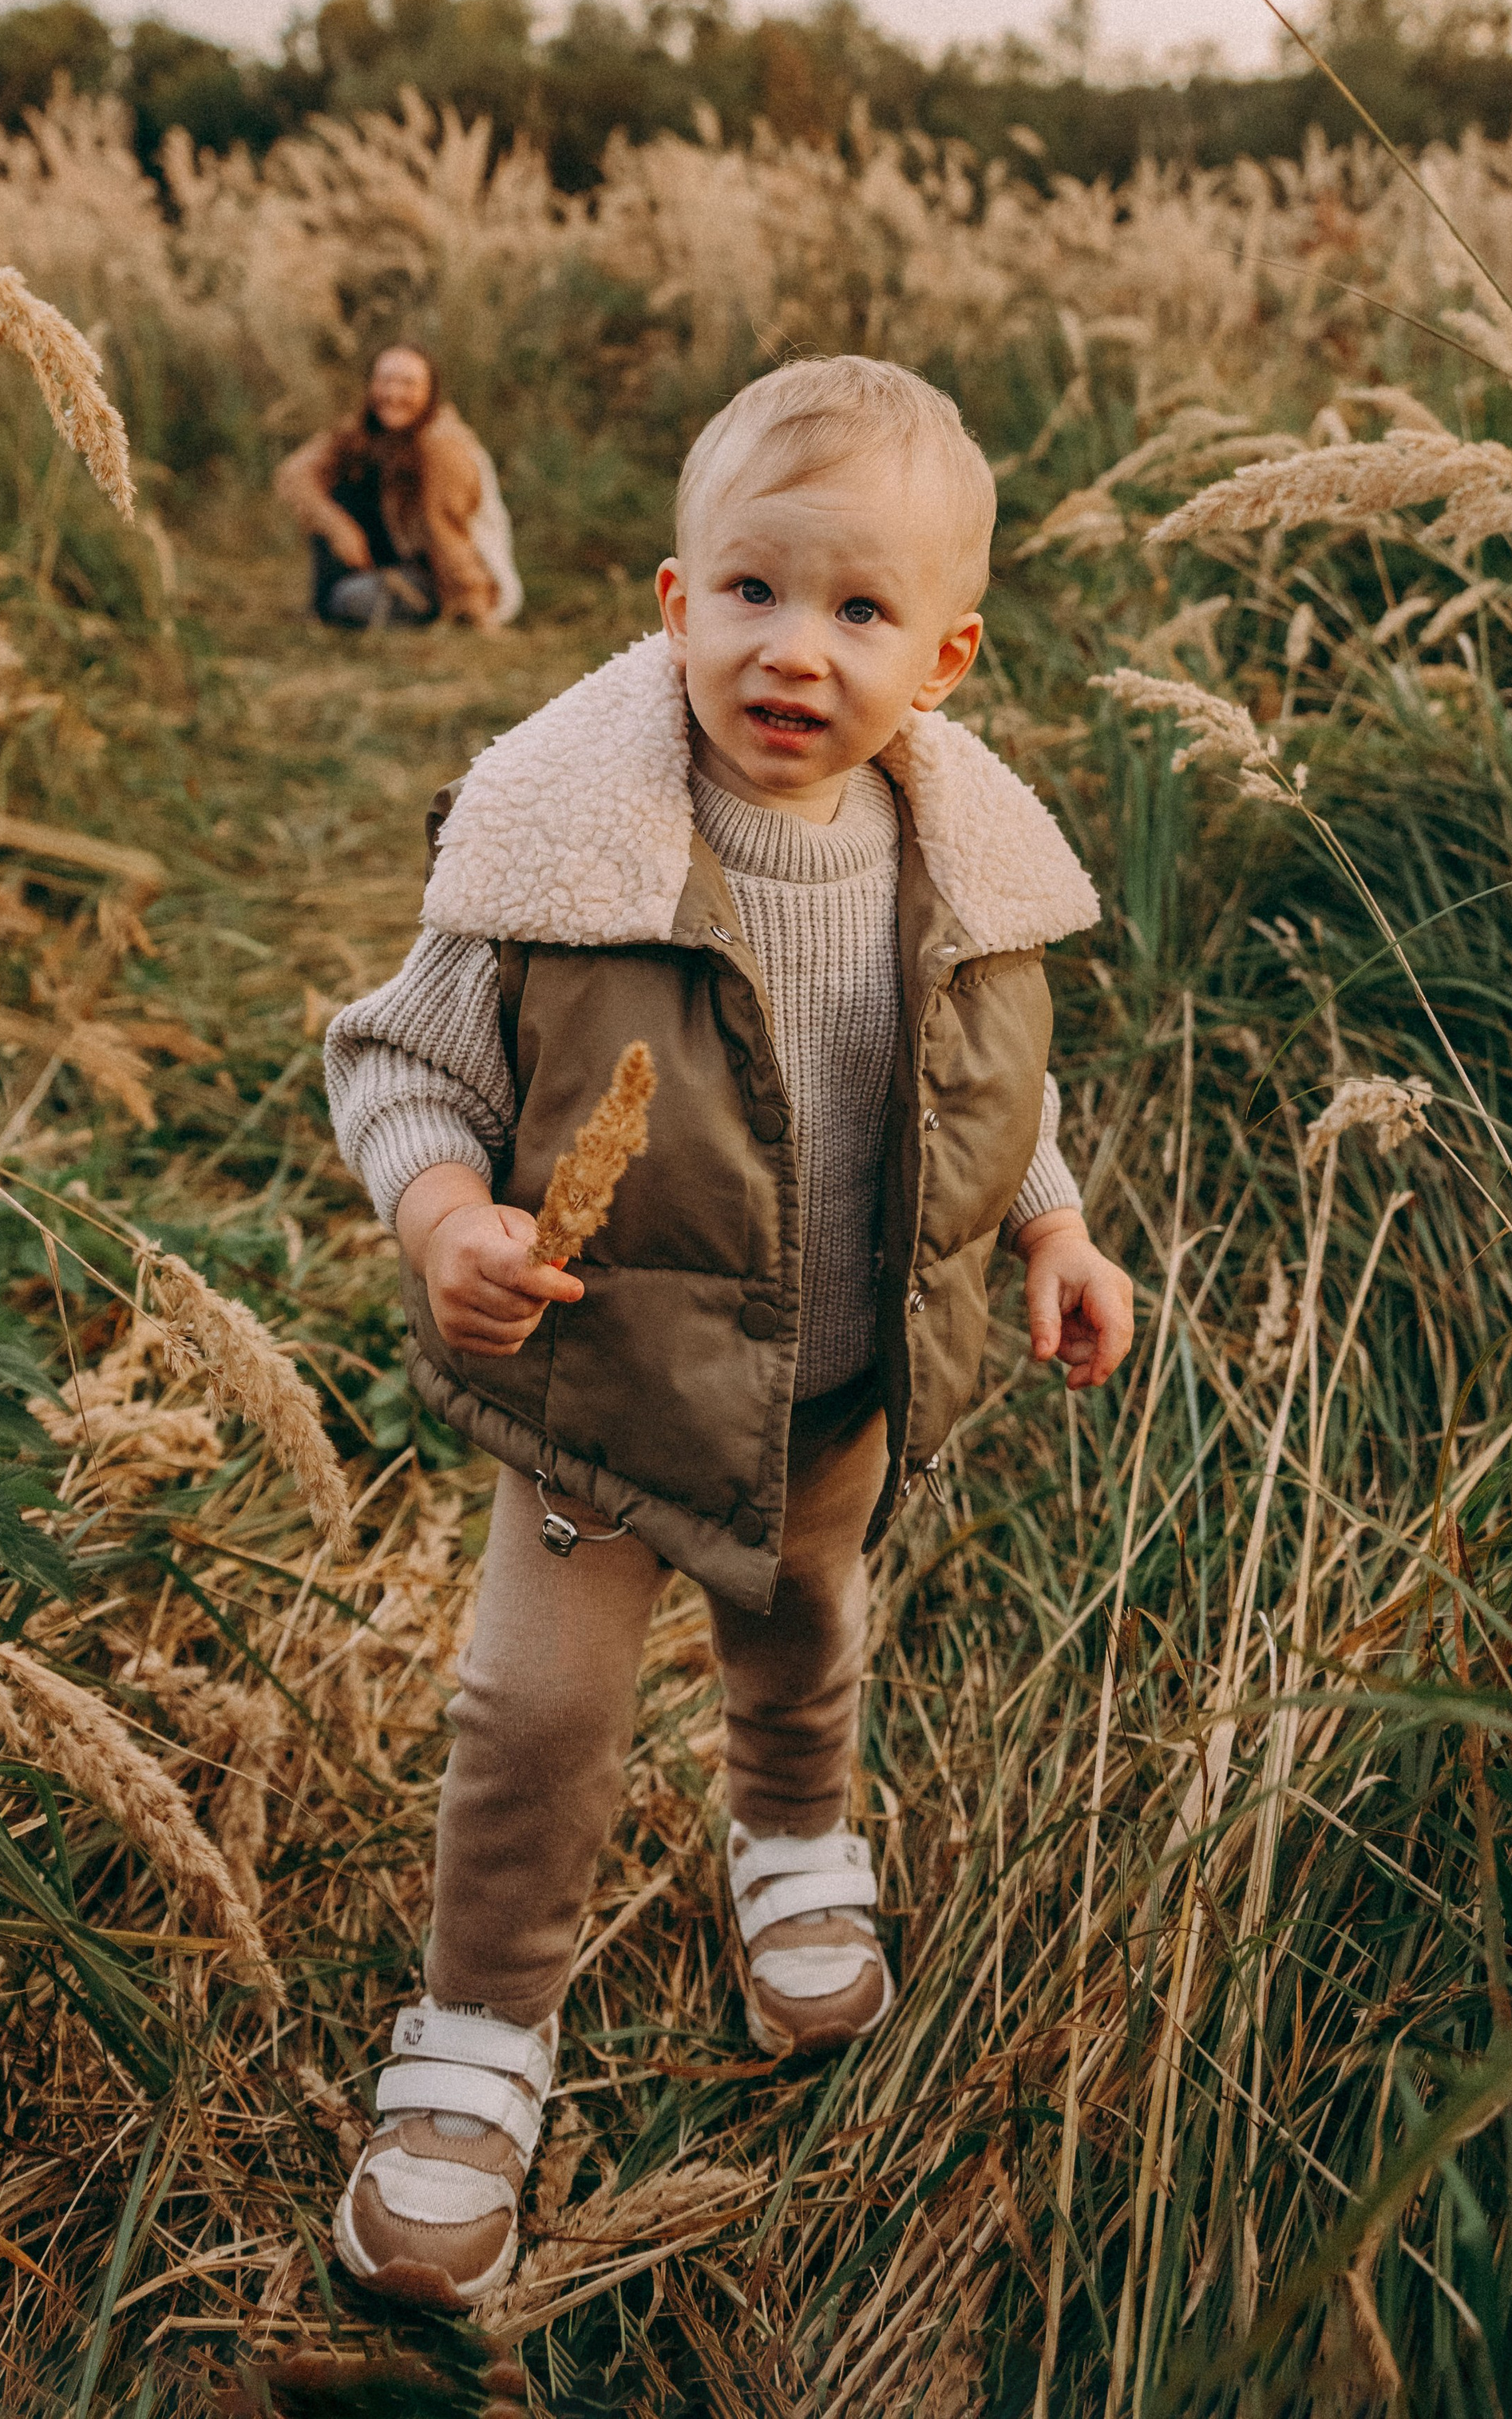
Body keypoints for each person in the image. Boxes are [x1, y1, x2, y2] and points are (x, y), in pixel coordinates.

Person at [322, 354, 1134, 2309]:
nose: (796, 651)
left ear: (940, 655)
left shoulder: (959, 860)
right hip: (603, 1386)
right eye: (753, 593)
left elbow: (978, 1087)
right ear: (675, 606)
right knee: (537, 1714)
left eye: (857, 612)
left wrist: (1055, 1224)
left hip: (837, 1384)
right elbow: (395, 1062)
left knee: (802, 1625)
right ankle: (479, 2031)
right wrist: (446, 1211)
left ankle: (786, 1833)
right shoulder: (560, 845)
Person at [275, 343, 522, 631]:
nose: (393, 394)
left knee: (347, 600)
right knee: (338, 490)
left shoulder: (442, 446)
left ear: (430, 393)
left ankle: (340, 607)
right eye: (385, 381)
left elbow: (448, 534)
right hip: (404, 558)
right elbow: (296, 474)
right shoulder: (366, 429)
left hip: (456, 577)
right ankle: (333, 609)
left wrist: (474, 609)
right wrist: (339, 527)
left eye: (408, 384)